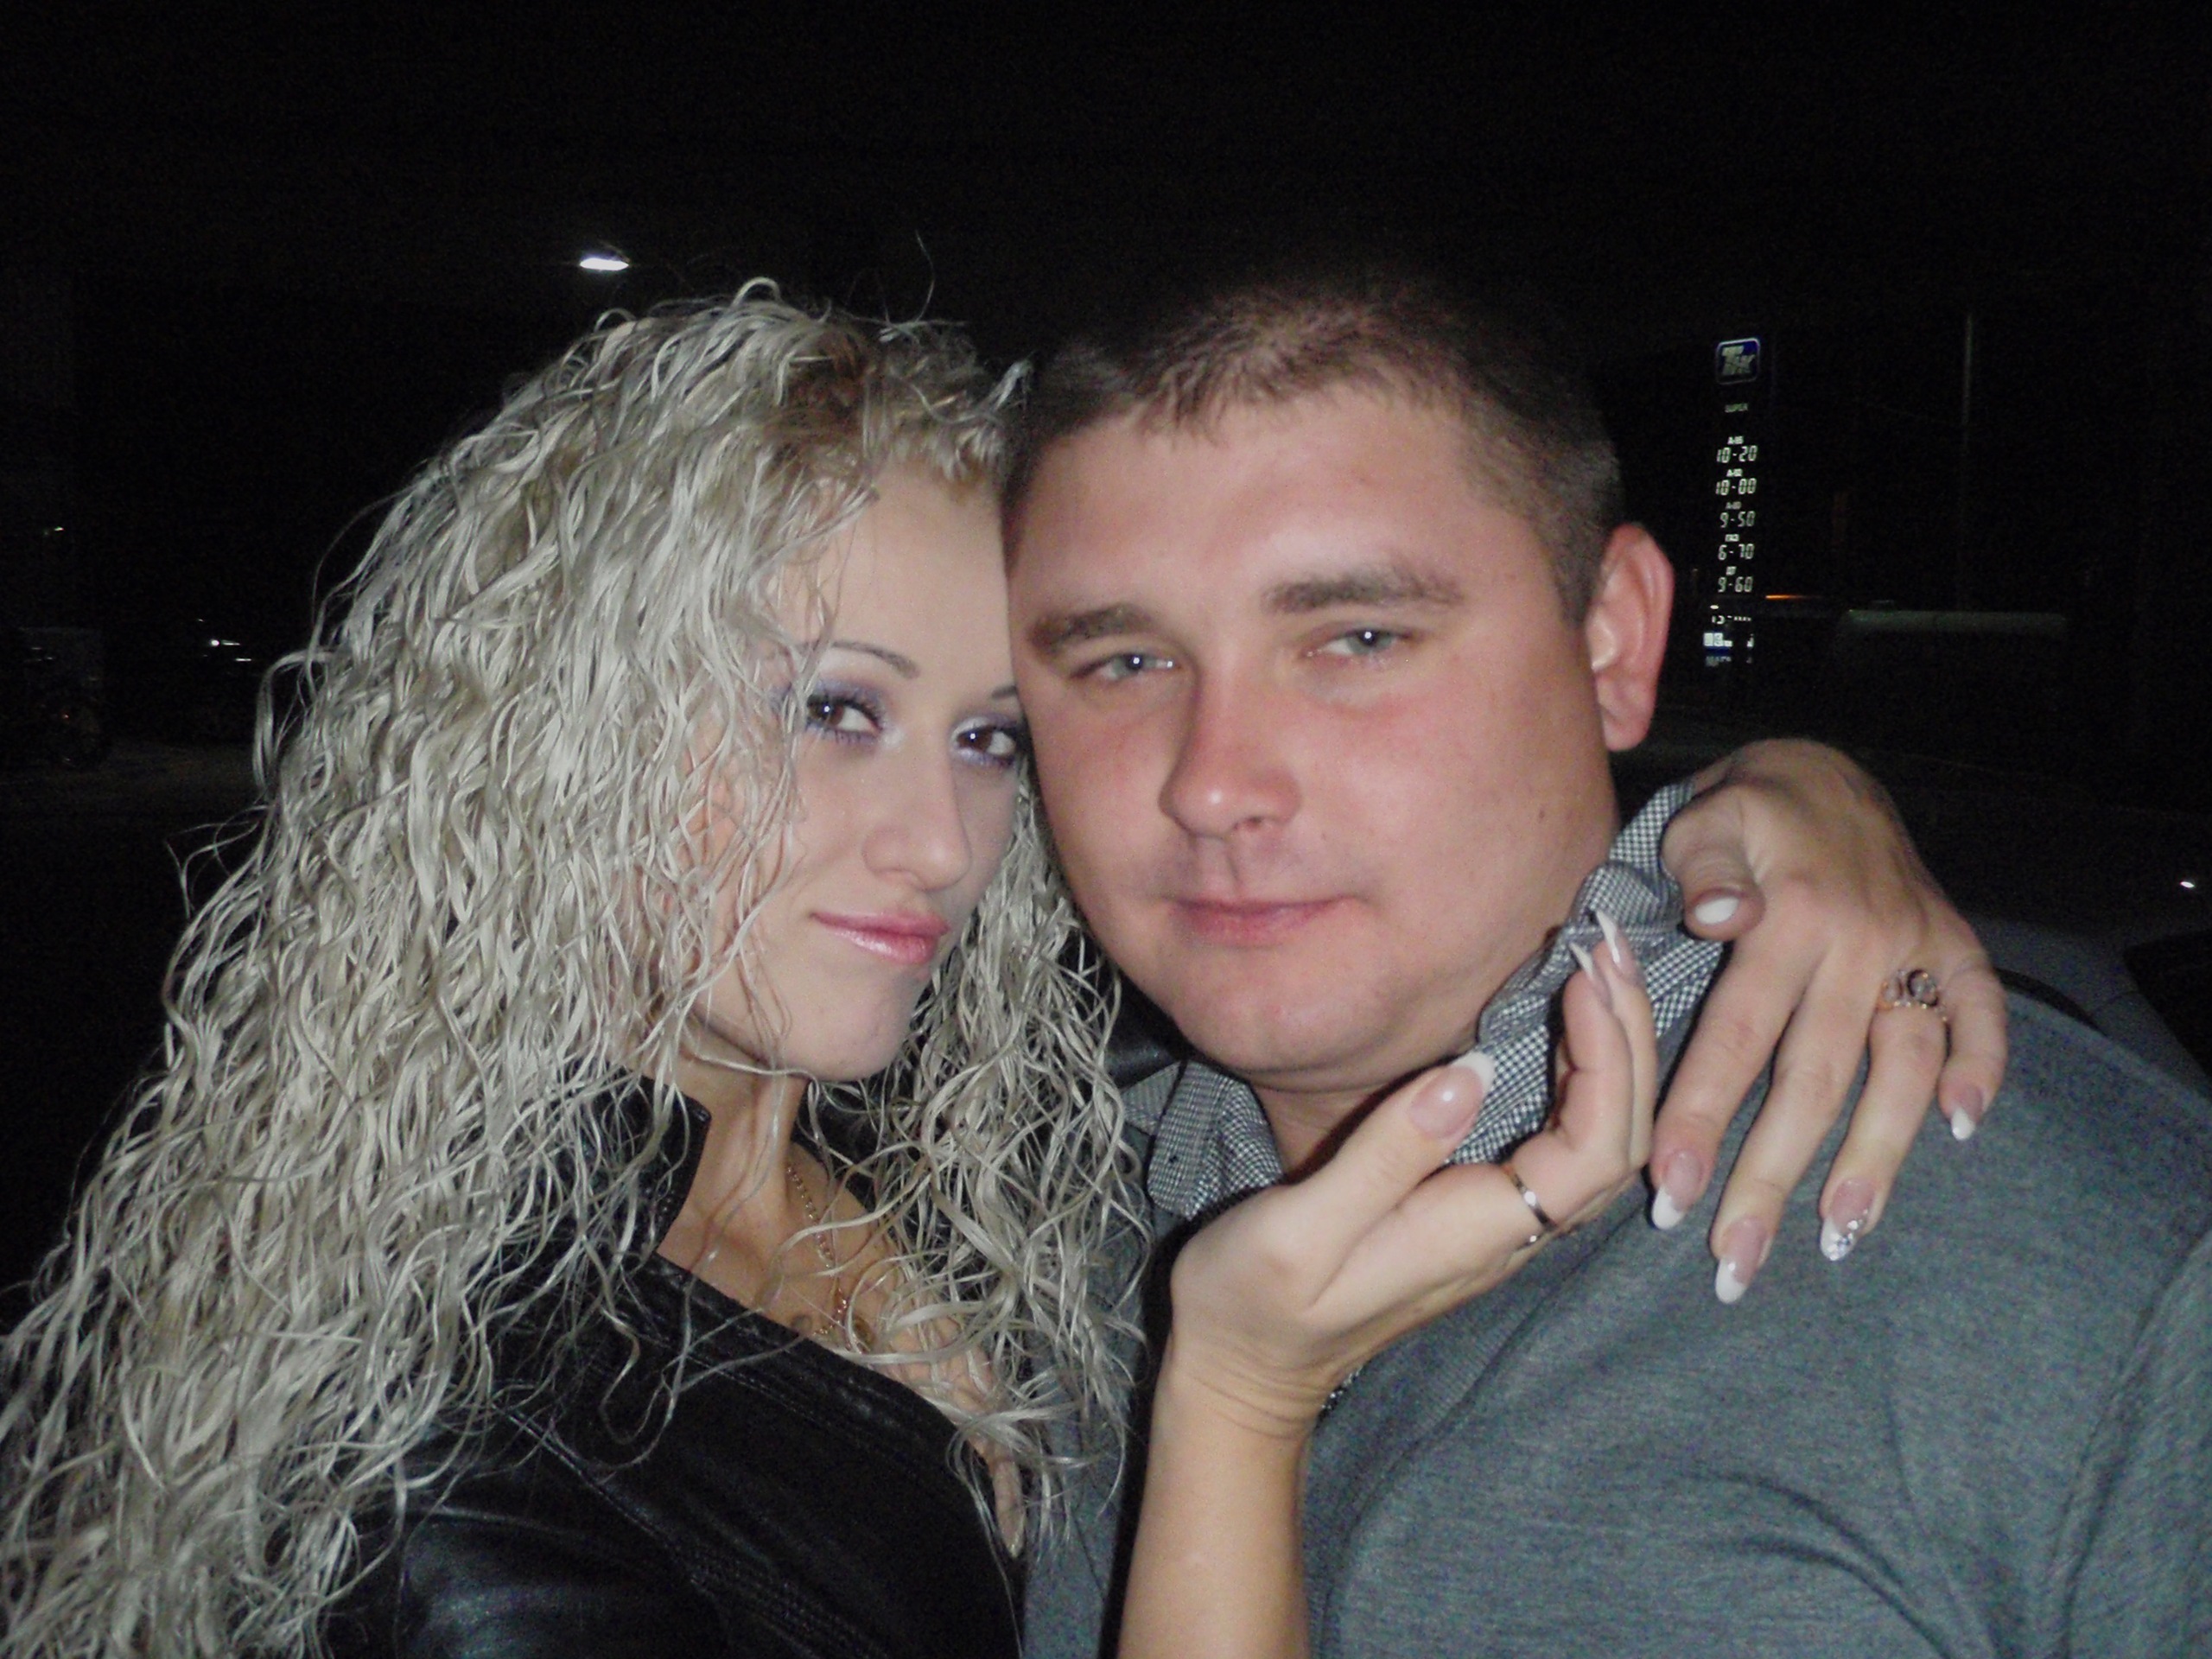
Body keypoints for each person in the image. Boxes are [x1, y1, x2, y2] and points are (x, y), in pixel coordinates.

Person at [0, 286, 1998, 1659]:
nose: (944, 843)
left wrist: (1769, 801)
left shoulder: (1000, 1175)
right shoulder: (467, 1450)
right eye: (830, 710)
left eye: (985, 735)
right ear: (559, 723)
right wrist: (1235, 1402)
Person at [1007, 264, 2212, 1657]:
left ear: (1615, 637)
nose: (1213, 785)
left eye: (1358, 638)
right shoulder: (1013, 1269)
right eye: (1123, 664)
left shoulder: (2078, 1260)